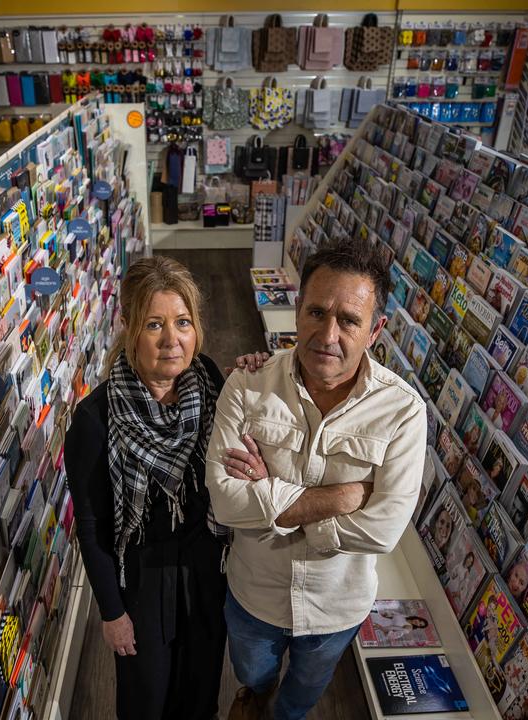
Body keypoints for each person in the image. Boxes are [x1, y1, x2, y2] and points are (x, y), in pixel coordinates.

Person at [206, 239, 428, 720]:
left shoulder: (404, 411)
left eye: (349, 320)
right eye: (316, 312)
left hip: (337, 607)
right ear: (298, 310)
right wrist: (341, 498)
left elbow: (385, 529)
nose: (328, 334)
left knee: (304, 693)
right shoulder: (247, 385)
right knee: (251, 673)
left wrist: (272, 504)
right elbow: (224, 501)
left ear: (375, 330)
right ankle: (255, 696)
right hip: (254, 593)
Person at [64, 256, 233, 720]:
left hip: (205, 571)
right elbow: (91, 524)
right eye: (154, 324)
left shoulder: (211, 381)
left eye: (183, 322)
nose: (172, 340)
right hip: (141, 579)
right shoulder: (94, 420)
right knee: (146, 700)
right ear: (130, 327)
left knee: (200, 692)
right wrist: (112, 613)